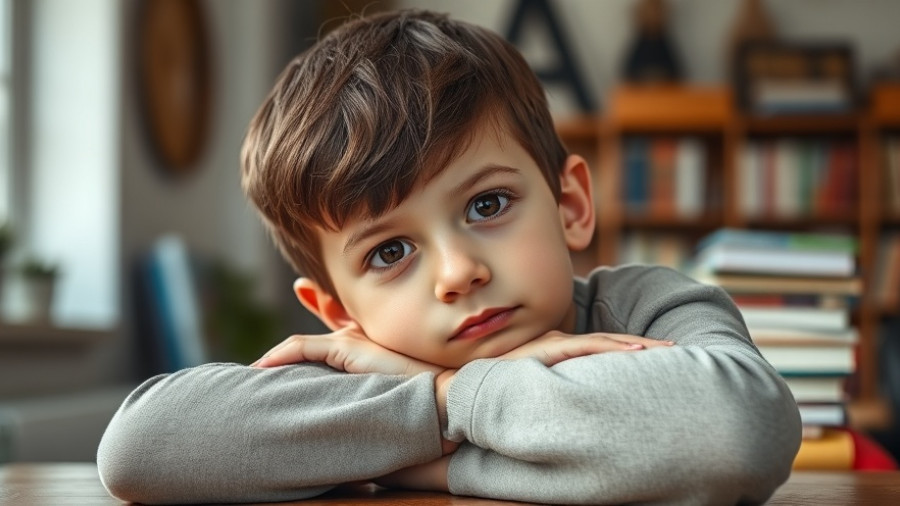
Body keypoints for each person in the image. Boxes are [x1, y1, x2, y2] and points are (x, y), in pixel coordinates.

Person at [97, 9, 800, 505]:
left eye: (488, 205)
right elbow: (140, 447)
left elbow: (733, 433)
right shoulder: (358, 368)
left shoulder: (652, 306)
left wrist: (427, 453)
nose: (459, 272)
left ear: (571, 206)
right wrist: (437, 399)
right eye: (391, 251)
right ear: (338, 313)